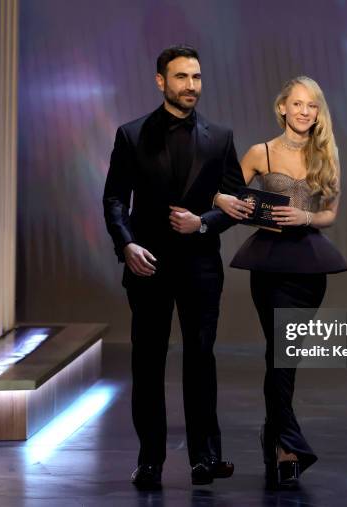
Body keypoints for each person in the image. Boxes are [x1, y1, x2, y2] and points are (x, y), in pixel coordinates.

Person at [103, 45, 244, 490]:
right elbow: (113, 199)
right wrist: (126, 245)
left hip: (201, 265)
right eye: (181, 77)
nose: (191, 86)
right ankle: (150, 461)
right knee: (147, 363)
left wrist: (202, 223)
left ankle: (205, 457)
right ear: (160, 81)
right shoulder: (131, 134)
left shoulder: (220, 137)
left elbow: (236, 203)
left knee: (201, 359)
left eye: (197, 77)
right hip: (148, 265)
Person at [214, 76, 347, 489]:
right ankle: (288, 446)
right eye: (298, 104)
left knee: (286, 355)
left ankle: (274, 436)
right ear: (282, 108)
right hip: (270, 265)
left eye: (313, 106)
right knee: (281, 354)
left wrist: (306, 217)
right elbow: (225, 193)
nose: (305, 112)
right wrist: (224, 201)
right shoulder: (261, 152)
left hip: (309, 266)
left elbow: (329, 214)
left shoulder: (326, 154)